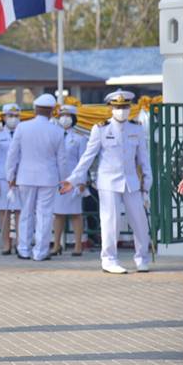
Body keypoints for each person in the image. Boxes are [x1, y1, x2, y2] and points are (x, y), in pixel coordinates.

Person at [61, 90, 152, 274]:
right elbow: (87, 157)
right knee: (111, 221)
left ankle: (142, 258)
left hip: (131, 182)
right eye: (118, 107)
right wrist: (73, 179)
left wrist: (147, 187)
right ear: (111, 108)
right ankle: (109, 259)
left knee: (140, 221)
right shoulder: (101, 129)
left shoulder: (137, 128)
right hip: (108, 181)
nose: (122, 110)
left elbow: (144, 160)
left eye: (125, 107)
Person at [6, 93, 66, 261]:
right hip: (48, 177)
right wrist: (64, 180)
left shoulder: (22, 127)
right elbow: (62, 159)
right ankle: (40, 252)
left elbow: (13, 154)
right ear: (52, 111)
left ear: (35, 109)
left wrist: (10, 175)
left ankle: (23, 249)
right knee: (45, 215)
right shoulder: (57, 131)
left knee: (26, 213)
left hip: (25, 176)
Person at [51, 105, 89, 256]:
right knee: (58, 214)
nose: (64, 118)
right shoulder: (54, 136)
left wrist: (81, 181)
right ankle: (56, 245)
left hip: (73, 180)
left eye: (68, 115)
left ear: (73, 118)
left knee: (75, 214)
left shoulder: (80, 138)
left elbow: (83, 162)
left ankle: (78, 246)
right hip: (57, 180)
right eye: (62, 115)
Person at [0, 103, 22, 255]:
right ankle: (6, 244)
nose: (13, 119)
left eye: (16, 116)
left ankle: (20, 243)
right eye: (10, 115)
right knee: (5, 212)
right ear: (3, 117)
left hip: (21, 177)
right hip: (2, 179)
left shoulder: (23, 134)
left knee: (20, 211)